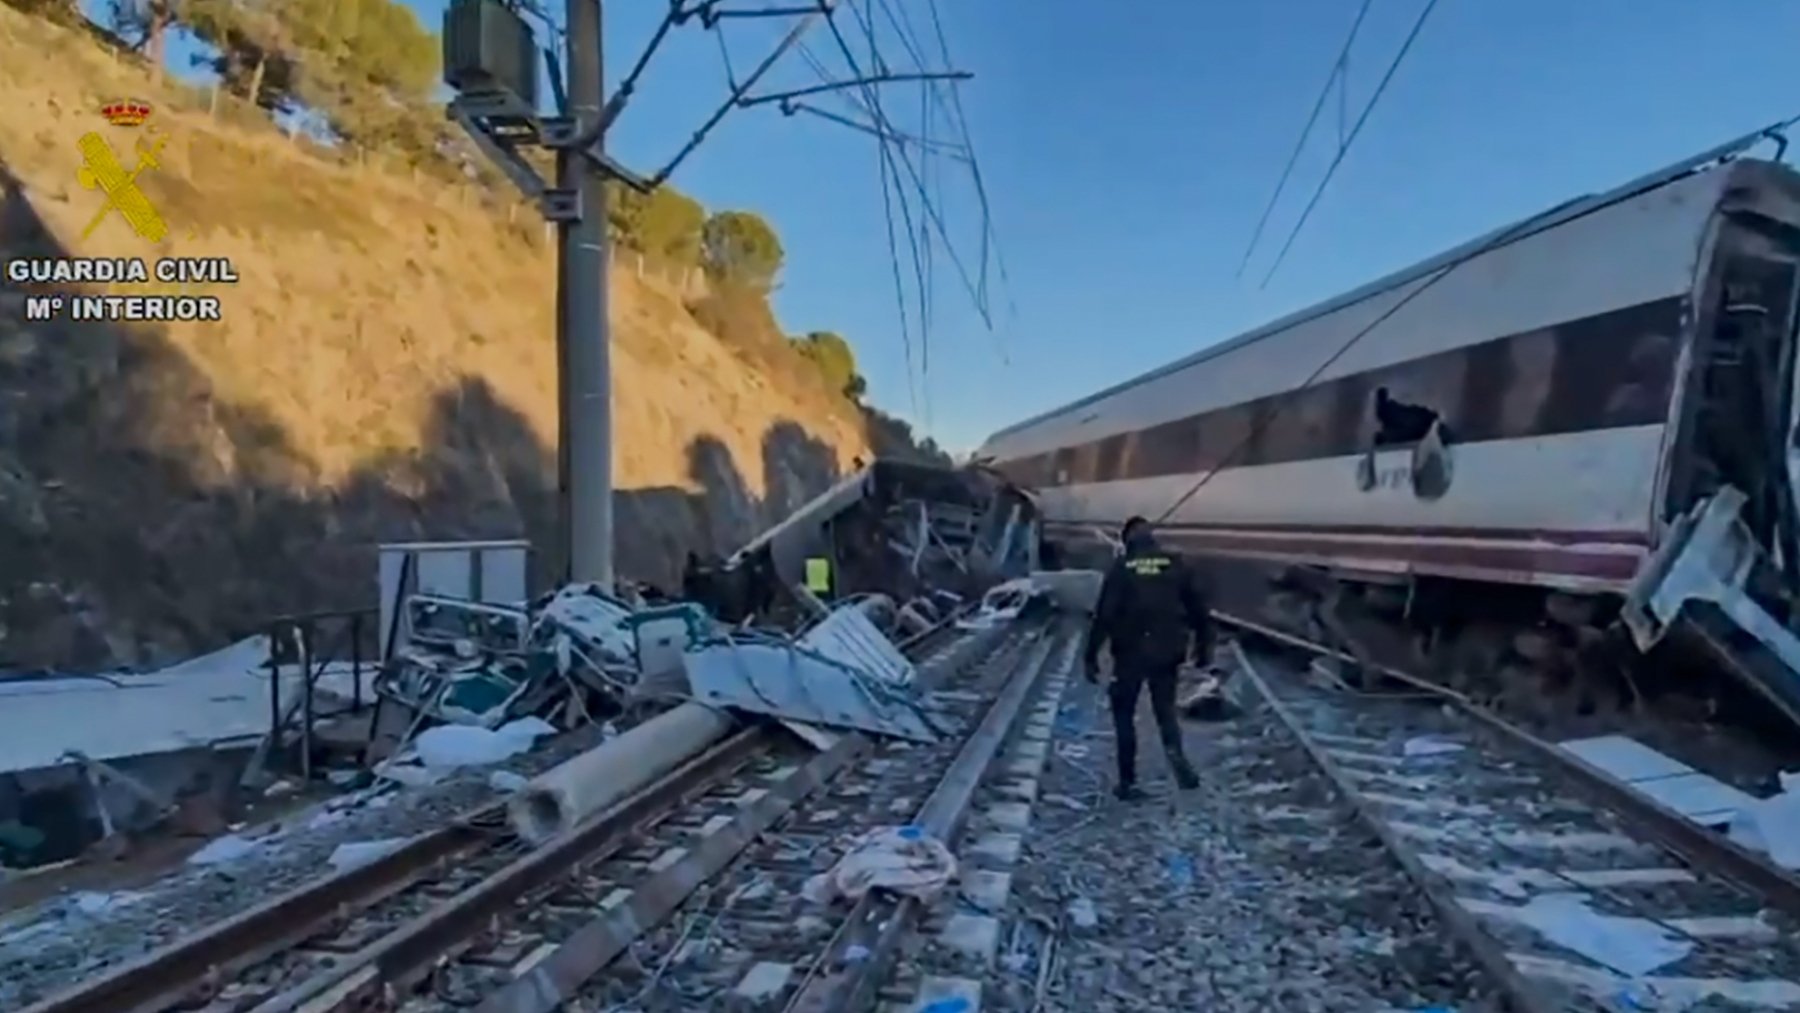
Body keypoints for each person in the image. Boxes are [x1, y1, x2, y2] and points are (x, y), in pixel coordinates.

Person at [1083, 516, 1211, 801]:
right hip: (1168, 652)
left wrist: (1090, 656)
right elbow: (1200, 611)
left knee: (1124, 714)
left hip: (1130, 653)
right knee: (1165, 710)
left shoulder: (1123, 568)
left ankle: (1128, 782)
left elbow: (1104, 615)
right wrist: (1204, 650)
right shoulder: (1176, 564)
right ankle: (1177, 758)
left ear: (1127, 540)